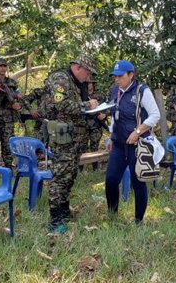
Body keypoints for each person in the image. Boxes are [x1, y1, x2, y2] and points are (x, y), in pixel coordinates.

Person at [41, 53, 99, 233]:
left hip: (74, 138)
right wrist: (87, 106)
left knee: (70, 174)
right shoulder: (60, 79)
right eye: (87, 72)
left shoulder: (75, 82)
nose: (88, 77)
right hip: (63, 138)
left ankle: (64, 210)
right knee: (60, 177)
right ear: (78, 67)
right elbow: (62, 105)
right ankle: (55, 219)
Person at [105, 60, 160, 224]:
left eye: (120, 76)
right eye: (115, 76)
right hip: (119, 143)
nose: (117, 80)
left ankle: (138, 220)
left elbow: (155, 115)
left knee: (138, 181)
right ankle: (113, 214)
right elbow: (115, 115)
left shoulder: (142, 91)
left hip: (138, 144)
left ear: (131, 75)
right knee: (111, 179)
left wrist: (137, 132)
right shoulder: (115, 90)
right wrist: (110, 136)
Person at [84, 78, 108, 171]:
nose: (88, 85)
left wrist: (104, 114)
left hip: (96, 125)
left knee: (94, 147)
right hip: (84, 125)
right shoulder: (81, 94)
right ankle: (81, 169)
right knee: (82, 147)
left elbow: (106, 107)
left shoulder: (100, 95)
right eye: (86, 83)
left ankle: (95, 168)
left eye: (90, 83)